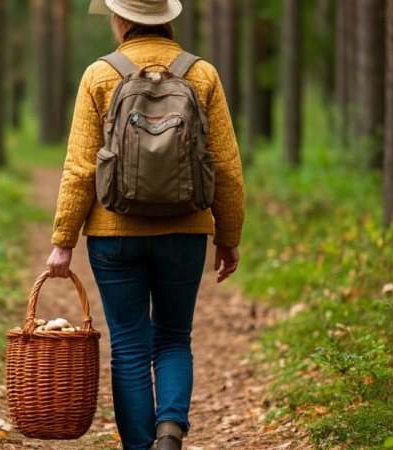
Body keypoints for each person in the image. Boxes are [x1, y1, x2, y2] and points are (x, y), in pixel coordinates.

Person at [46, 0, 244, 448]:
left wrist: (63, 239)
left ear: (120, 19)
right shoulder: (202, 74)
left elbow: (79, 166)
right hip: (185, 230)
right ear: (167, 19)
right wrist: (228, 236)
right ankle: (171, 428)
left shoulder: (99, 74)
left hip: (114, 235)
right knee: (174, 338)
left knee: (131, 348)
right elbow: (227, 166)